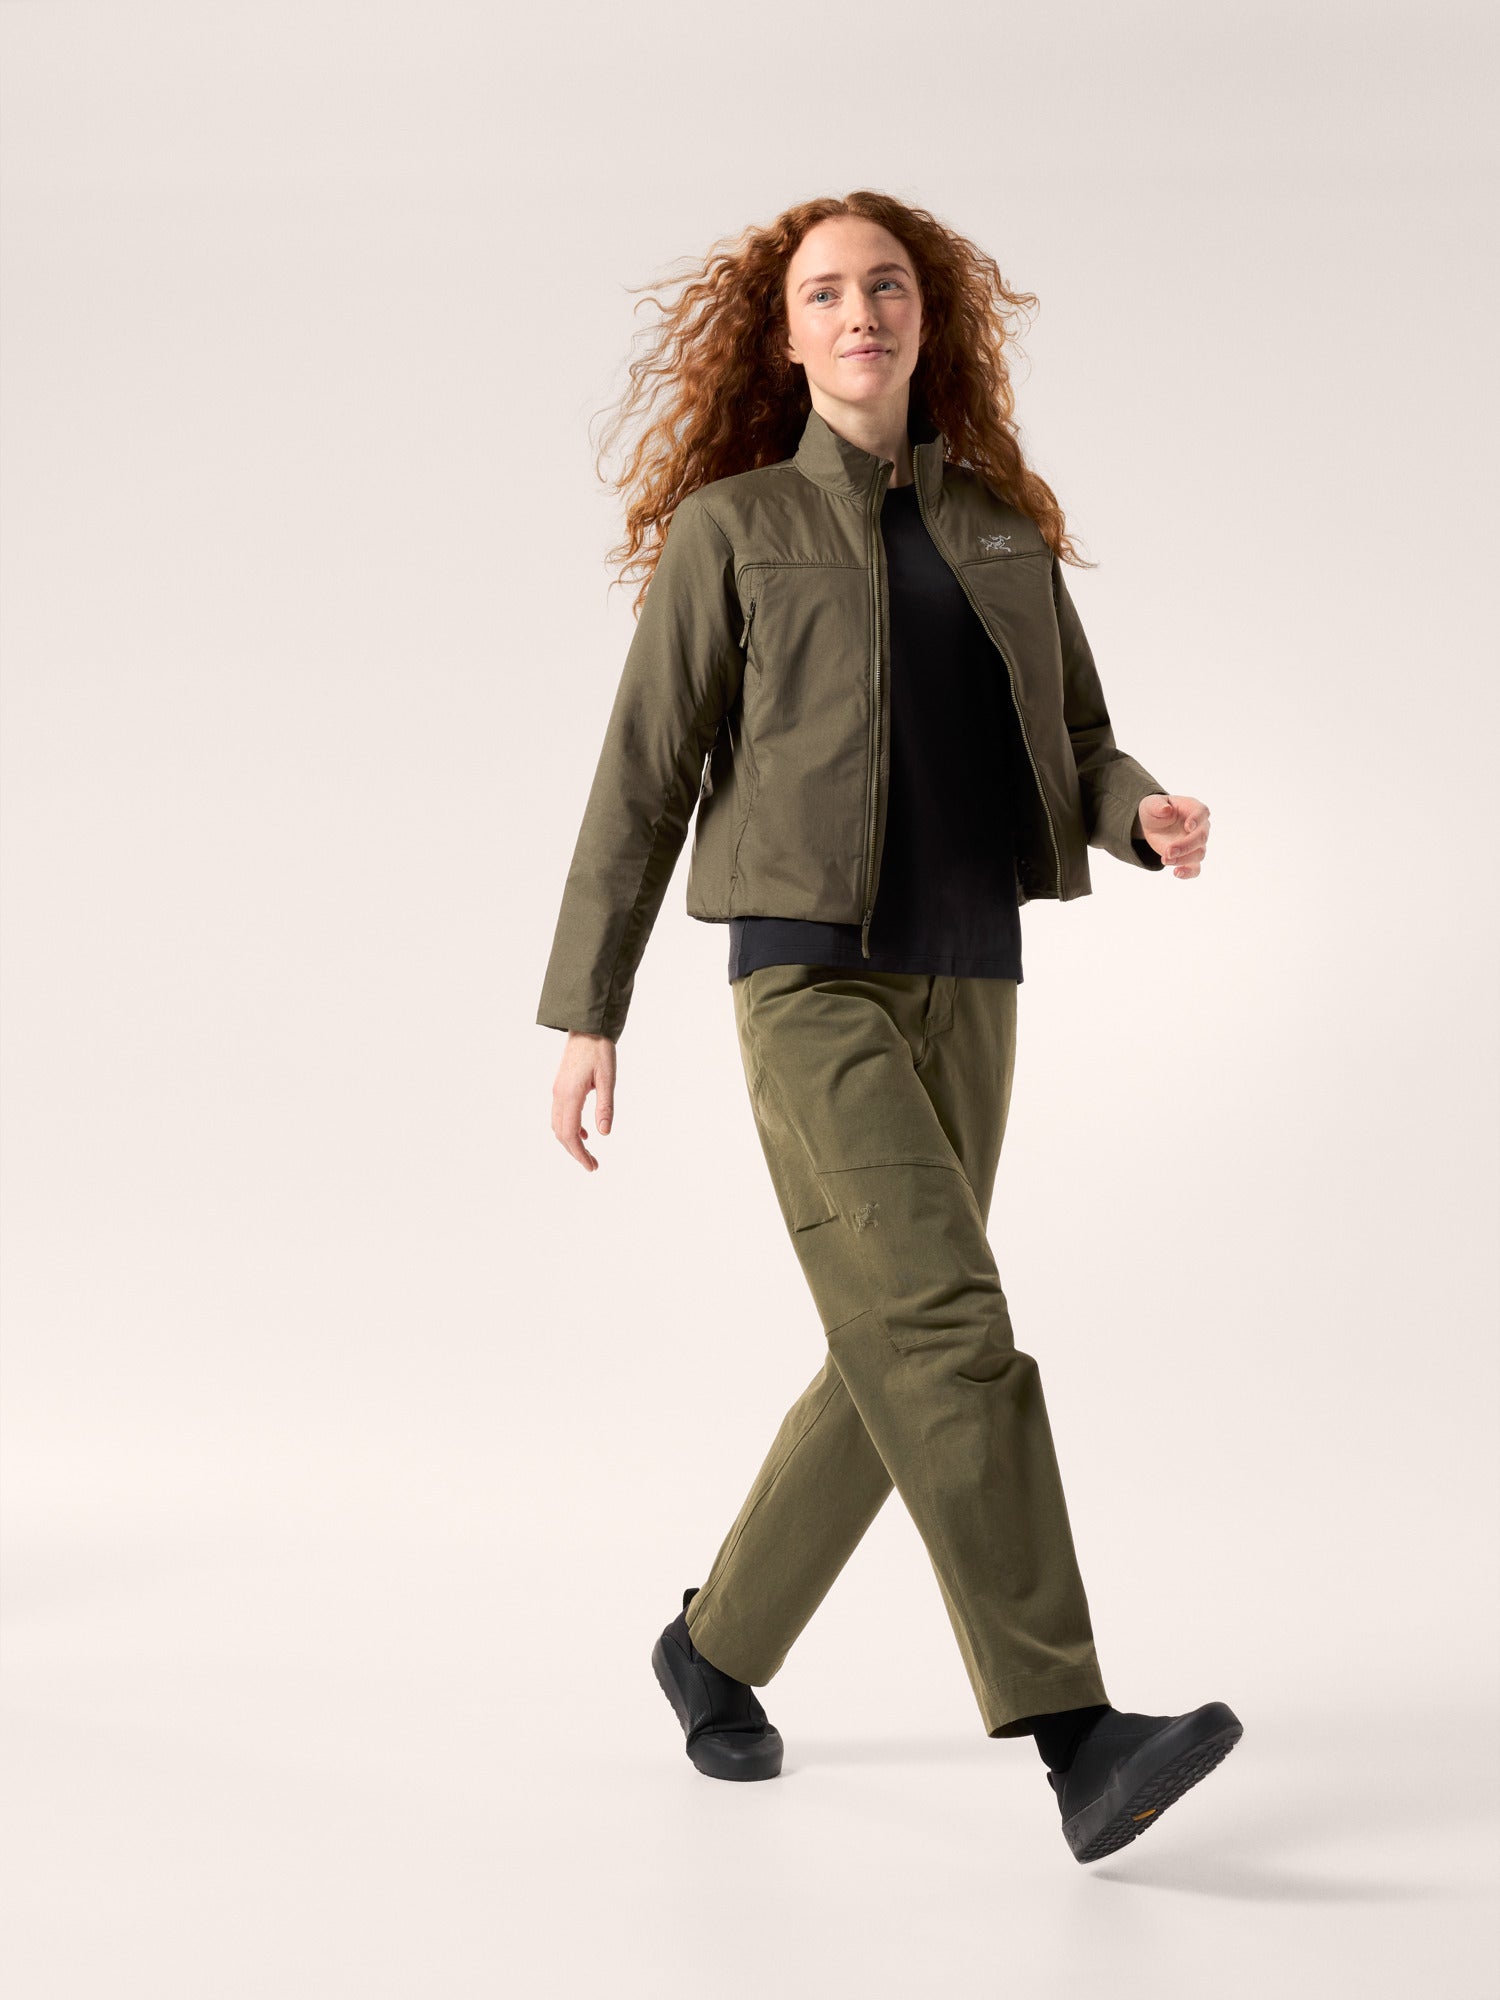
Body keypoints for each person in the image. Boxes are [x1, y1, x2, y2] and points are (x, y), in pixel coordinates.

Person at [536, 189, 1241, 1864]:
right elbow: (644, 777)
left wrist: (1138, 813)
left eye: (890, 286)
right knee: (945, 1327)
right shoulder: (734, 530)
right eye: (827, 293)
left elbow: (1081, 740)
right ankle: (1076, 1734)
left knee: (894, 1344)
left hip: (973, 972)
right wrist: (589, 1011)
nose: (862, 311)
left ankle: (713, 1649)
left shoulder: (999, 525)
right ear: (785, 337)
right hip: (810, 979)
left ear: (932, 319)